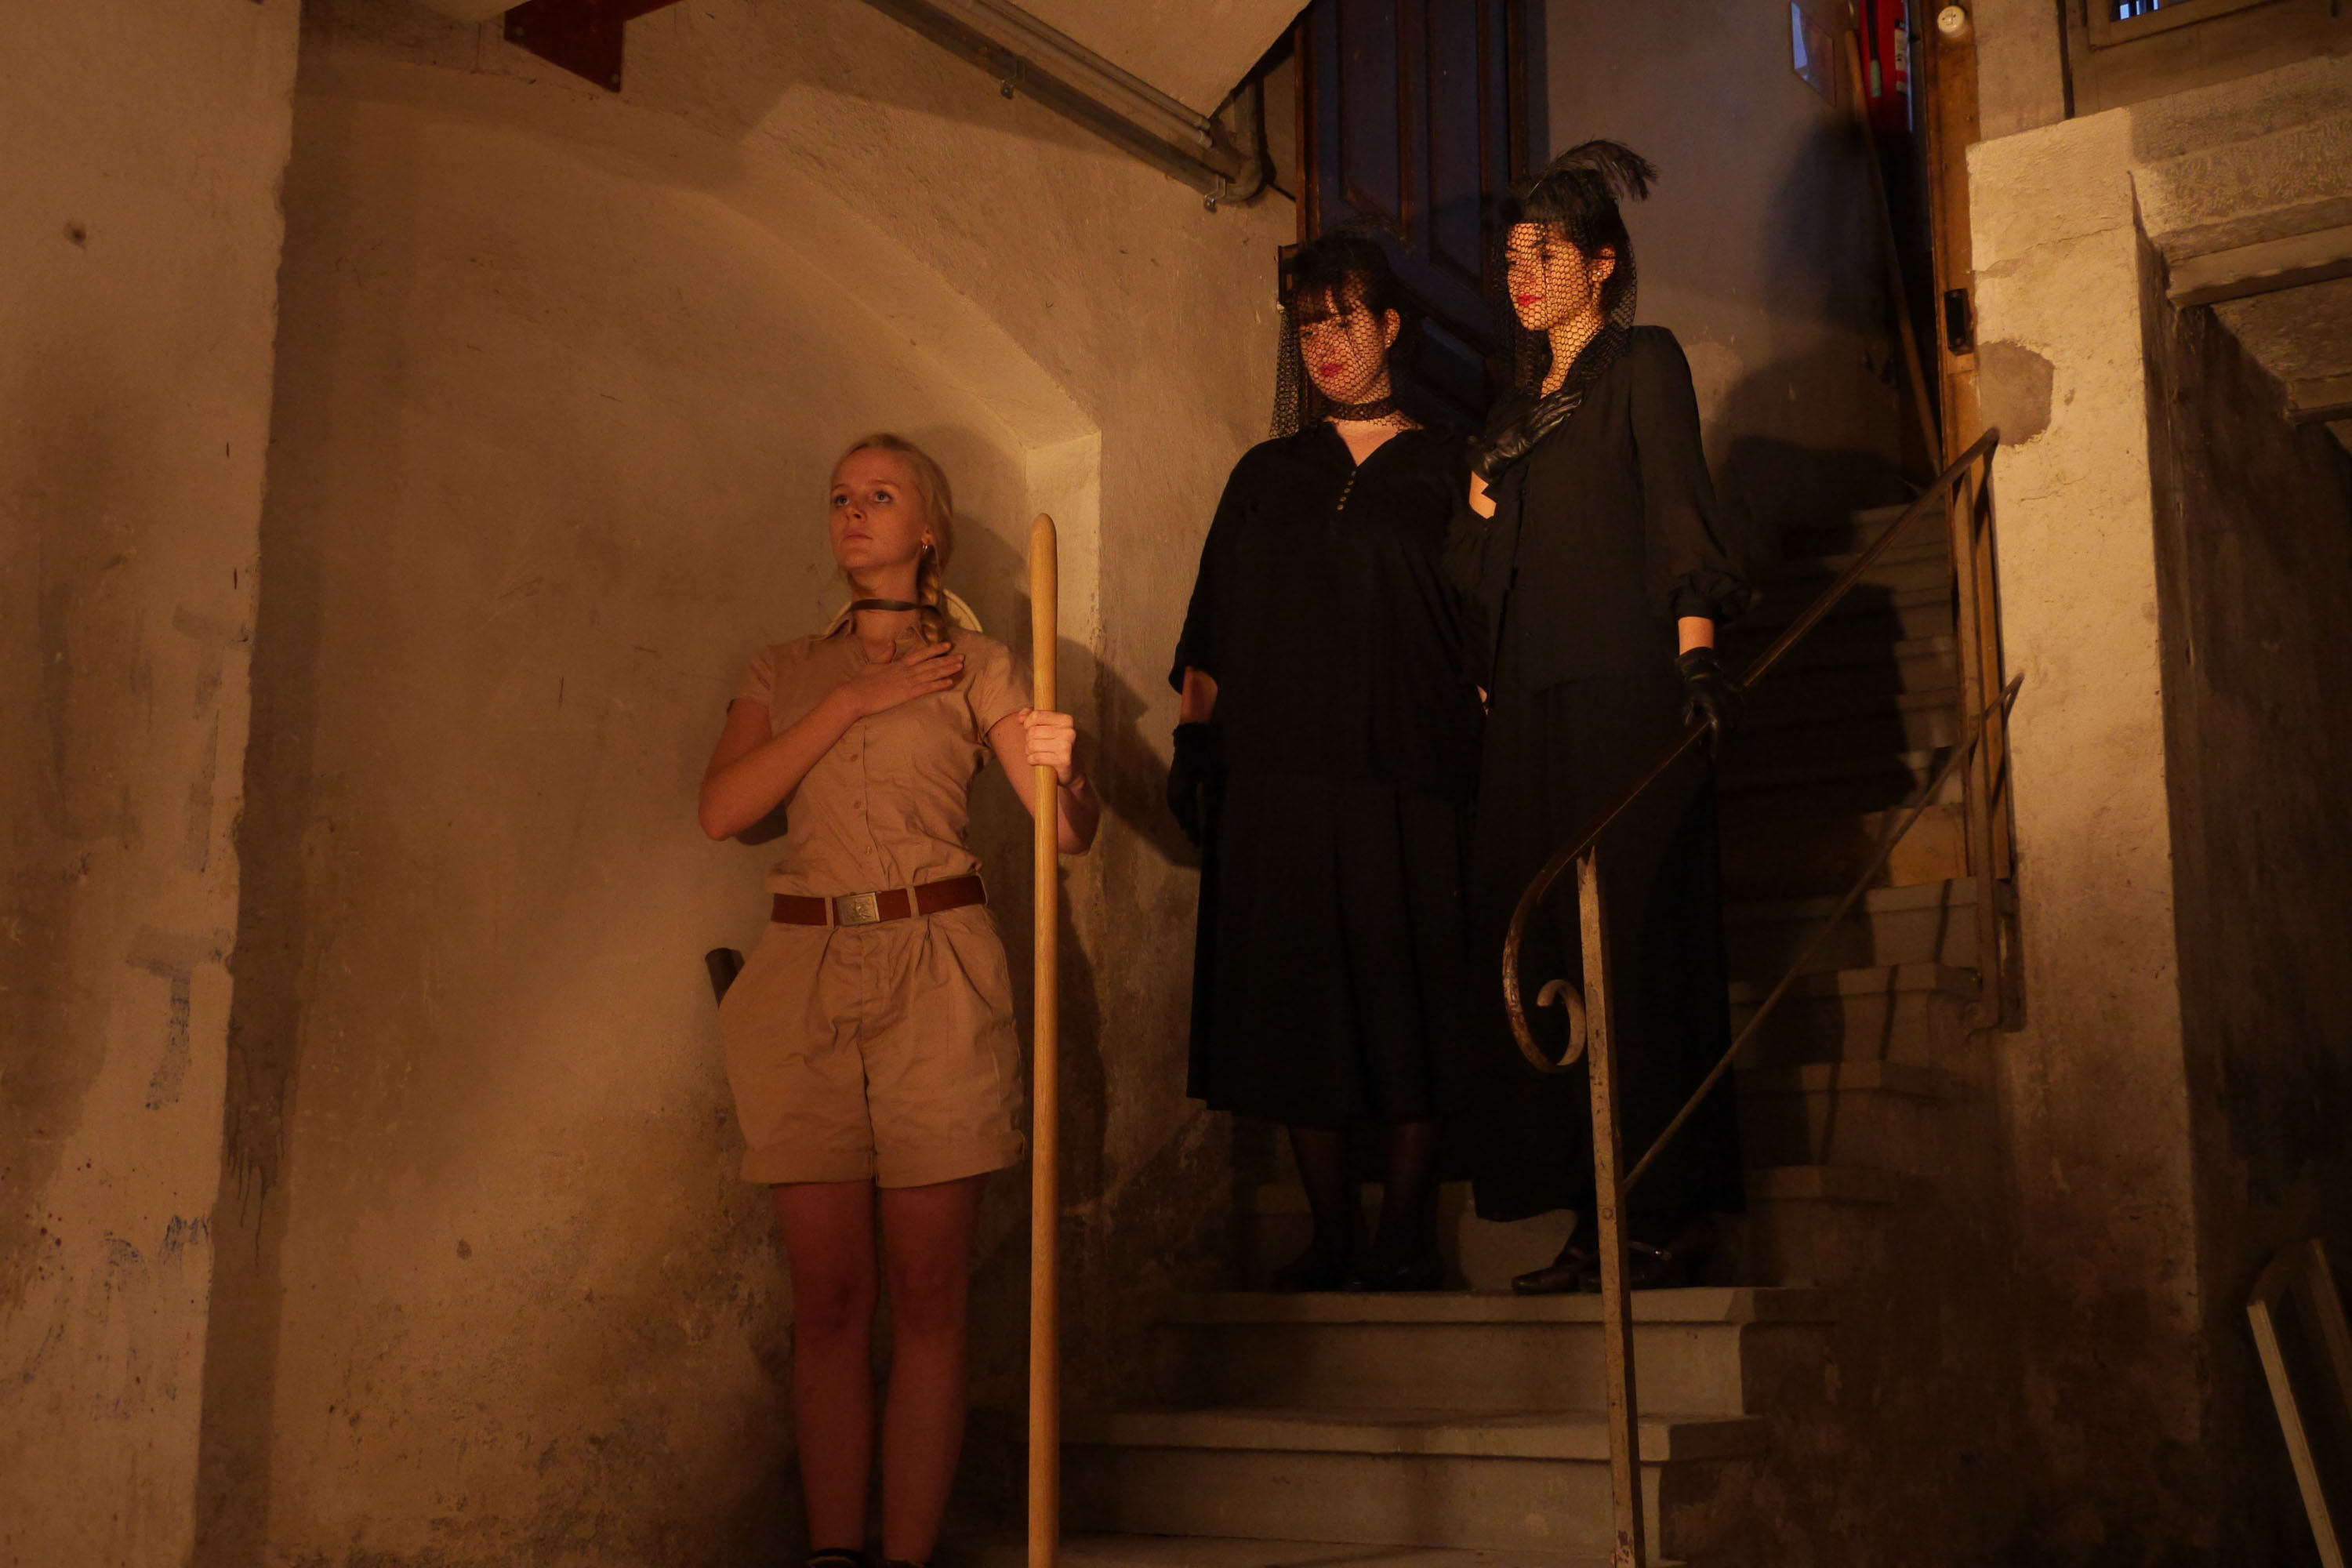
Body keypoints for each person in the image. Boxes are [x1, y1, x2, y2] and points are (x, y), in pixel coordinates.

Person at [699, 434, 1099, 1568]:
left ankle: (907, 1556)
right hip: (804, 971)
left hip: (937, 966)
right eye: (841, 496)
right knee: (830, 1294)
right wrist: (852, 702)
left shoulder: (980, 665)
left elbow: (1065, 836)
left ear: (929, 531)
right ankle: (835, 1554)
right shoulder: (783, 667)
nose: (855, 511)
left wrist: (1069, 769)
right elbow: (724, 810)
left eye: (881, 495)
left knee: (929, 1290)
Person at [1448, 143, 1752, 1294]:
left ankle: (1663, 1212)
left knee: (1629, 945)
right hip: (1528, 709)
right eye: (1511, 257)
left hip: (1625, 691)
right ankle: (1594, 1216)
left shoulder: (1642, 363)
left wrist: (1697, 653)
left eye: (1548, 253)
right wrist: (1479, 503)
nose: (1522, 275)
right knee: (1546, 956)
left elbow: (1677, 506)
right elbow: (1473, 570)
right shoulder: (1512, 413)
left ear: (1604, 263)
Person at [1168, 234, 1483, 1293]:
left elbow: (1482, 623)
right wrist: (1194, 743)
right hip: (1281, 779)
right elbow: (1213, 625)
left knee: (1411, 993)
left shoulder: (1453, 464)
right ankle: (1332, 1233)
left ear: (1390, 326)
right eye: (1308, 328)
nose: (1326, 345)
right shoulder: (1265, 475)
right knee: (1300, 999)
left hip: (1412, 772)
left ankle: (1406, 1235)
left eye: (1344, 321)